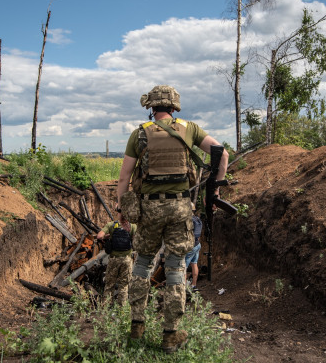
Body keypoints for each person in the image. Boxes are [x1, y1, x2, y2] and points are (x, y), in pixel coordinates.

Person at [116, 85, 228, 354]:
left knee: (142, 264)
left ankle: (136, 328)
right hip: (179, 209)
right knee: (177, 268)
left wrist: (122, 213)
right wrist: (214, 190)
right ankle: (170, 335)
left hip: (148, 211)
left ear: (151, 107)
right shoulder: (189, 129)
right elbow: (221, 153)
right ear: (174, 106)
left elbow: (124, 178)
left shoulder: (139, 133)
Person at [96, 218, 137, 305]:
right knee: (124, 285)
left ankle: (106, 307)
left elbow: (99, 236)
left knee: (109, 284)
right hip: (127, 260)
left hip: (114, 259)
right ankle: (121, 310)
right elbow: (138, 240)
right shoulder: (132, 226)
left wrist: (106, 236)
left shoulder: (111, 225)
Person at [184, 204, 202, 292]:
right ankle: (194, 285)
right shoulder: (197, 219)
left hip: (191, 246)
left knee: (183, 267)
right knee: (194, 263)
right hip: (197, 244)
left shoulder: (189, 220)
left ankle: (183, 287)